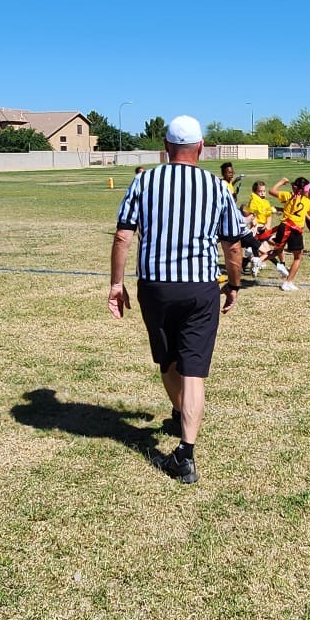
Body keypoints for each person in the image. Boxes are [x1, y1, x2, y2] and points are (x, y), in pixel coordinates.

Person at [106, 115, 243, 484]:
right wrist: (233, 285)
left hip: (156, 286)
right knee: (194, 369)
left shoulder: (145, 180)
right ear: (201, 147)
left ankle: (181, 412)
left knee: (168, 361)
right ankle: (186, 449)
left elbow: (122, 236)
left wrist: (116, 284)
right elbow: (232, 245)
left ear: (165, 147)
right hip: (200, 287)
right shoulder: (217, 187)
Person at [274, 177, 310, 291]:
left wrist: (281, 182)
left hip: (284, 226)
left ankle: (259, 259)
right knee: (298, 257)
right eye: (308, 189)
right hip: (295, 229)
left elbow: (272, 191)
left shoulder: (289, 196)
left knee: (276, 251)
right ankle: (288, 282)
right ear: (304, 190)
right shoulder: (307, 201)